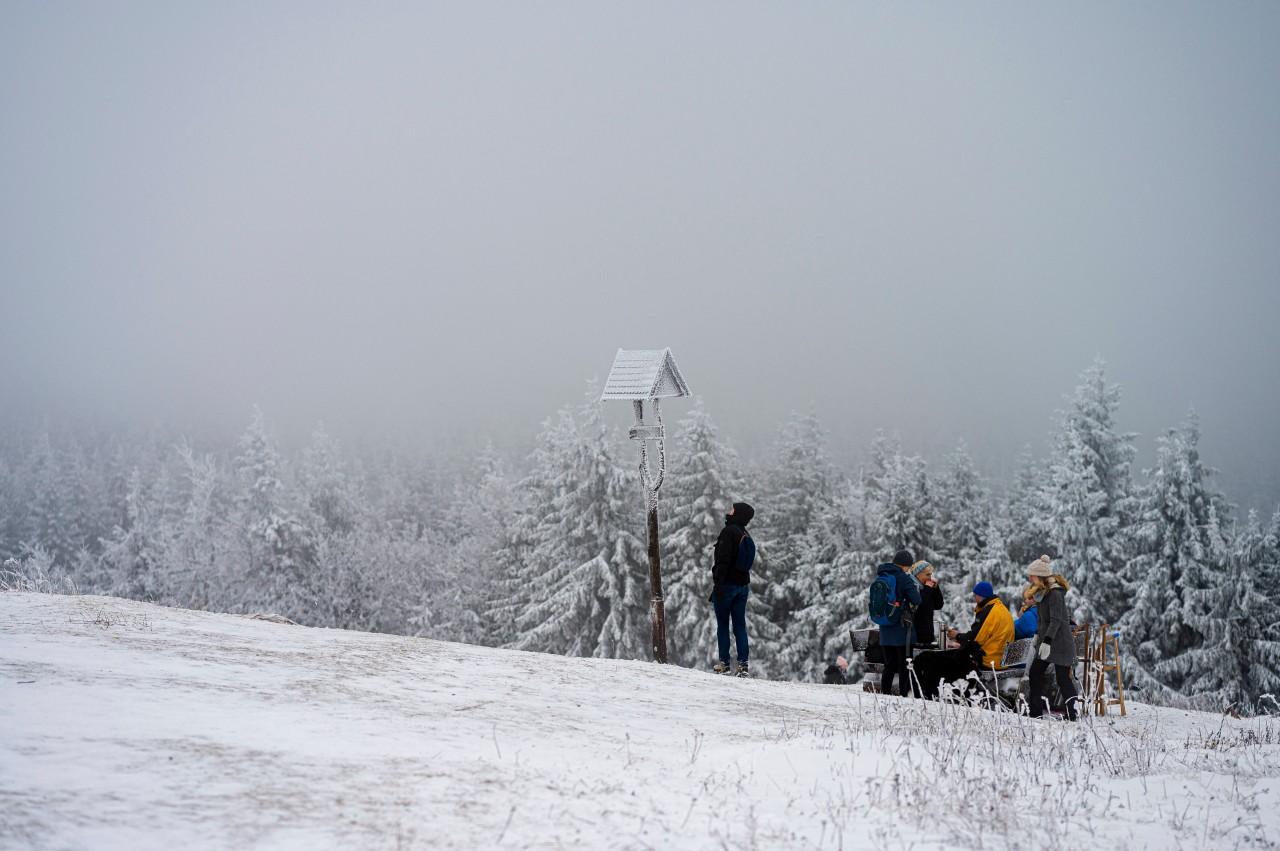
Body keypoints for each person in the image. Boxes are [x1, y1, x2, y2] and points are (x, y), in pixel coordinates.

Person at [1025, 555, 1080, 720]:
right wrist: (1037, 635)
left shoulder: (1054, 593)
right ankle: (1035, 713)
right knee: (1035, 673)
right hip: (1047, 641)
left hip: (1060, 642)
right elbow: (1042, 619)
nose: (1030, 578)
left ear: (1040, 576)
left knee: (1063, 678)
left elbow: (1056, 620)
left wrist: (1047, 641)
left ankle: (1073, 714)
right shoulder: (1042, 593)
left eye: (1032, 575)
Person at [710, 502, 755, 676]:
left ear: (738, 514)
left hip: (727, 586)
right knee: (739, 626)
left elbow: (723, 559)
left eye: (732, 510)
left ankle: (724, 664)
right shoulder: (745, 533)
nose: (728, 512)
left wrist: (718, 584)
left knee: (723, 625)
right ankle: (743, 665)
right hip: (742, 587)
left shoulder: (728, 532)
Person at [873, 549, 922, 697]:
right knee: (904, 666)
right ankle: (903, 696)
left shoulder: (882, 576)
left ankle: (885, 694)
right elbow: (917, 600)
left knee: (888, 665)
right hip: (901, 629)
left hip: (885, 627)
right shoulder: (903, 577)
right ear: (906, 565)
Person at [947, 581, 1015, 670]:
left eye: (975, 595)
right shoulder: (1000, 608)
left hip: (991, 660)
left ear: (981, 595)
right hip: (1002, 658)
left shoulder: (988, 612)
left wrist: (957, 635)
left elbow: (975, 638)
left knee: (955, 658)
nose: (974, 598)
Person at [911, 561, 944, 649]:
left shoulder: (925, 588)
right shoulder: (912, 587)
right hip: (915, 637)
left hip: (927, 635)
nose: (930, 578)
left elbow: (938, 605)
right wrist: (928, 589)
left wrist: (936, 589)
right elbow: (920, 606)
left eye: (930, 575)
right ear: (918, 575)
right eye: (927, 575)